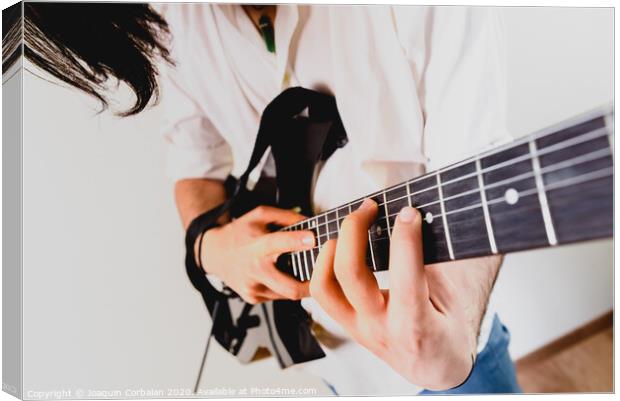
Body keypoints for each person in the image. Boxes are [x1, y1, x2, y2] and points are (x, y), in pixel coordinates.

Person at [18, 2, 522, 395]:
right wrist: (212, 249)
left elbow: (478, 165)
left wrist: (453, 323)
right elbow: (193, 166)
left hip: (456, 359)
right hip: (331, 362)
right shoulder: (176, 20)